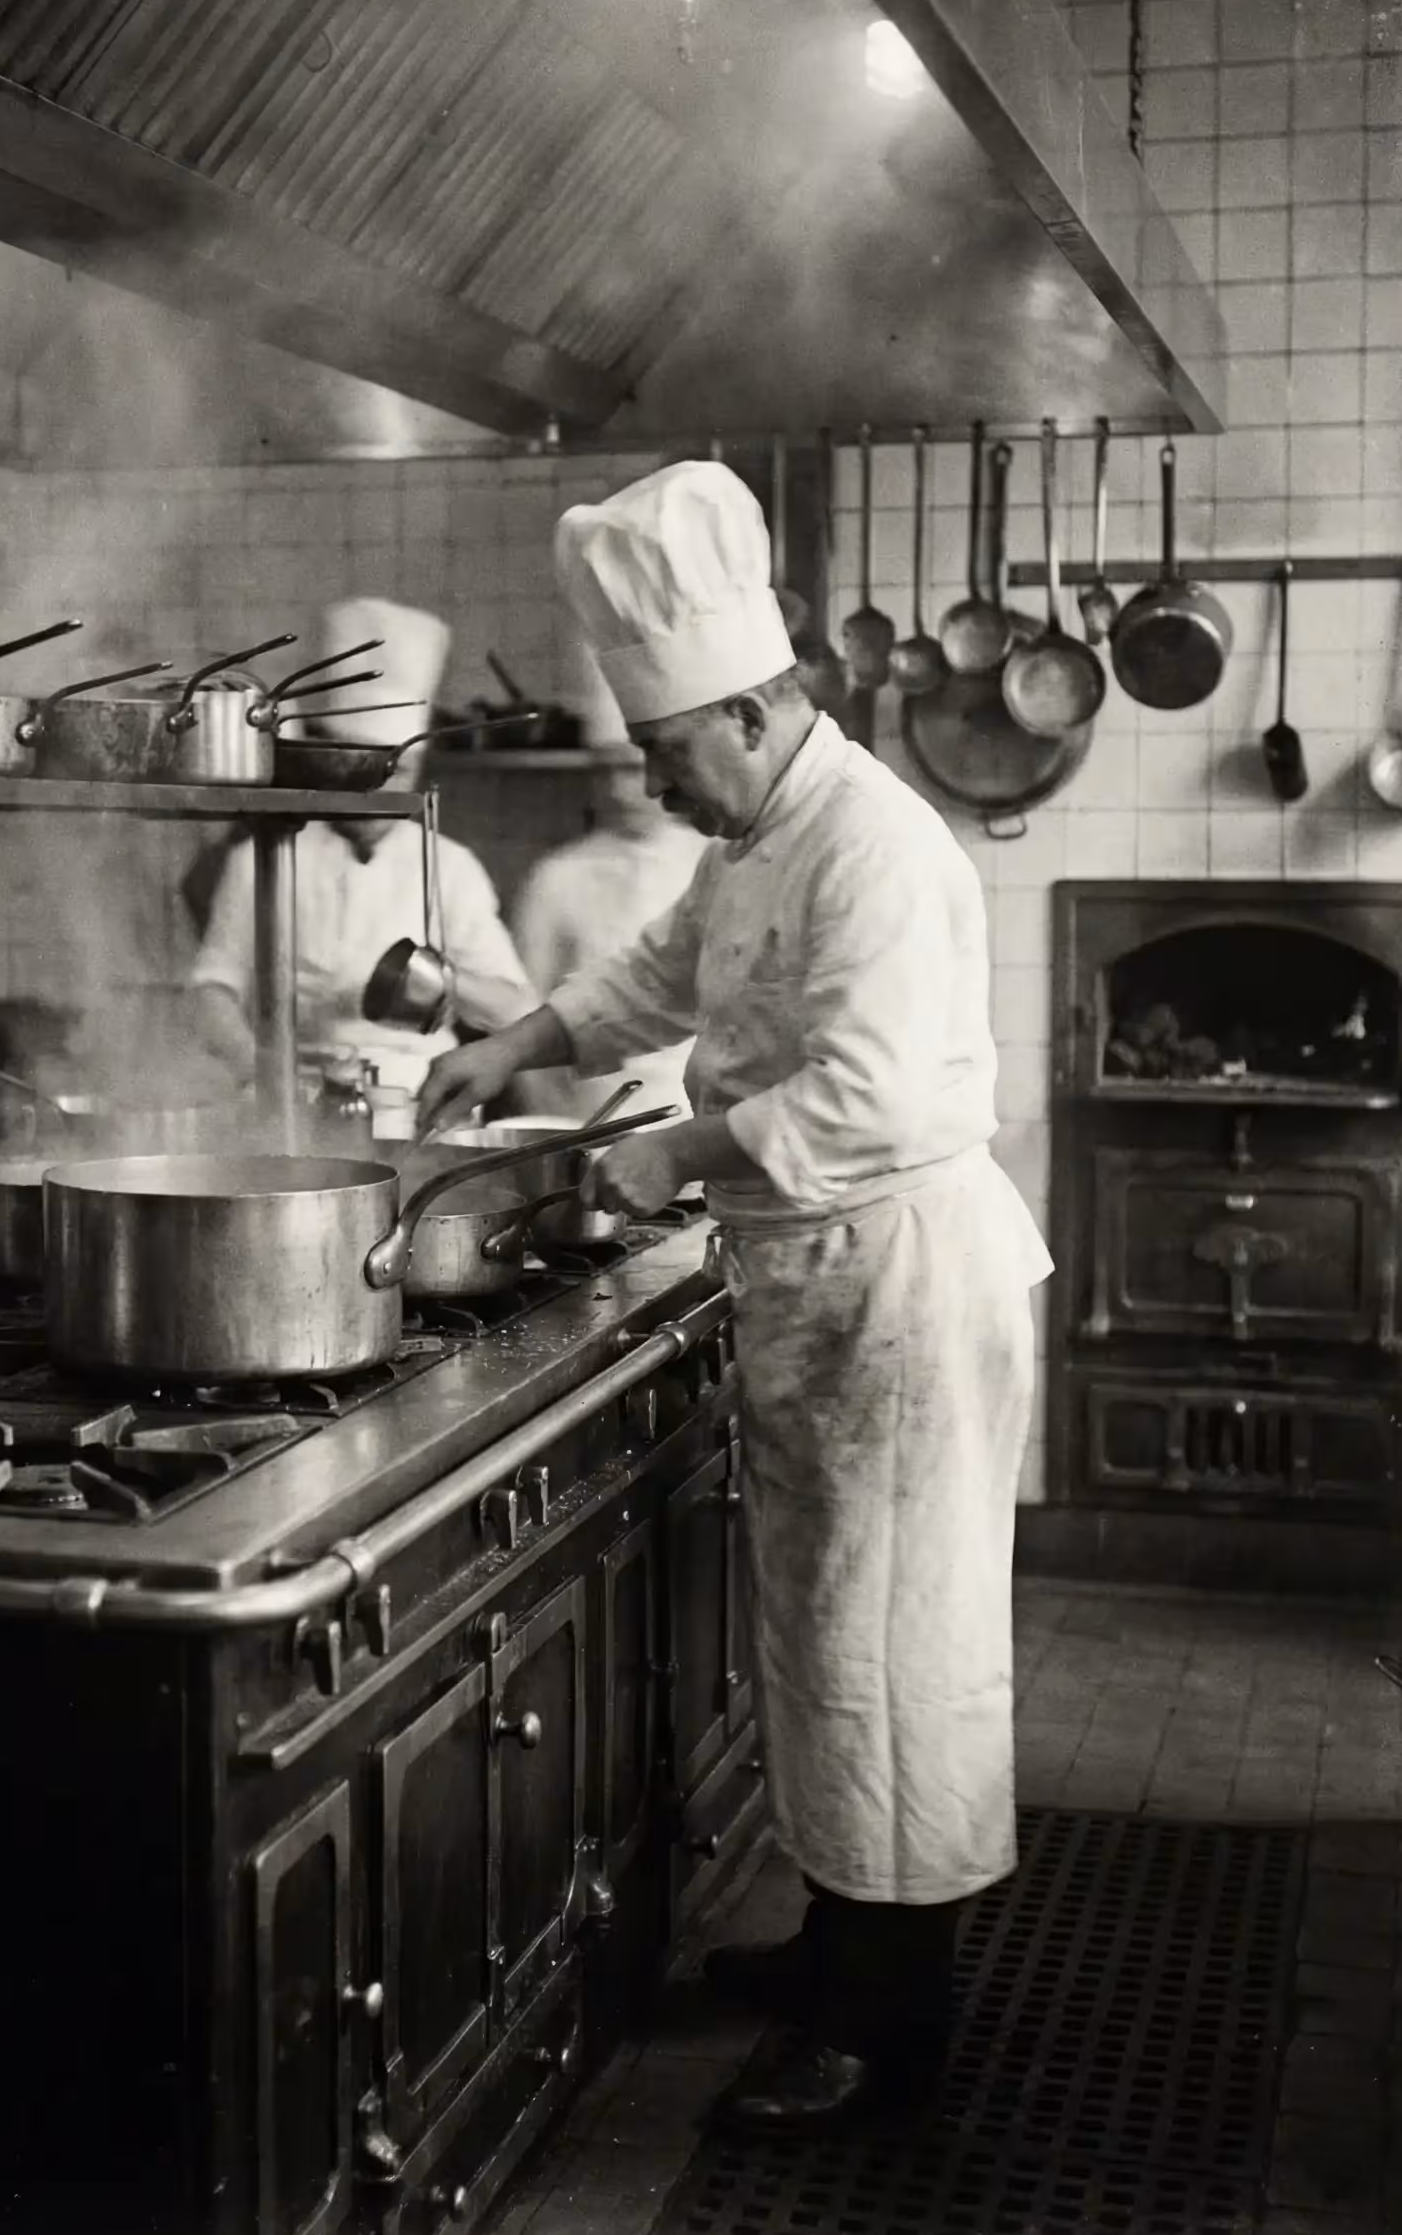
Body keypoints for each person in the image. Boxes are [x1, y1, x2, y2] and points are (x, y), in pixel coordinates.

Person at [418, 463, 1052, 2135]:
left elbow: (884, 1101)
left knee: (890, 1655)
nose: (654, 784)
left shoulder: (875, 848)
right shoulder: (761, 828)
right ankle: (836, 1944)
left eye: (666, 753)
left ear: (755, 711)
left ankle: (890, 2034)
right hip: (823, 1281)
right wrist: (517, 1045)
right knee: (822, 1648)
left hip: (898, 1284)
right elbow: (651, 976)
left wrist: (669, 1158)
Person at [190, 600, 535, 1112]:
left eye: (399, 772)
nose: (380, 790)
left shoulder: (452, 866)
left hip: (423, 1099)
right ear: (332, 758)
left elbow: (514, 1009)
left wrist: (434, 982)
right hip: (297, 1093)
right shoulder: (264, 854)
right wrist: (262, 1072)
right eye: (364, 768)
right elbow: (210, 992)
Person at [511, 664, 704, 1120]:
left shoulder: (713, 861)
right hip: (590, 1120)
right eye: (604, 771)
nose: (619, 789)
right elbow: (520, 1016)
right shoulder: (554, 877)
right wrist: (555, 1138)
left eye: (632, 767)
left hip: (698, 1119)